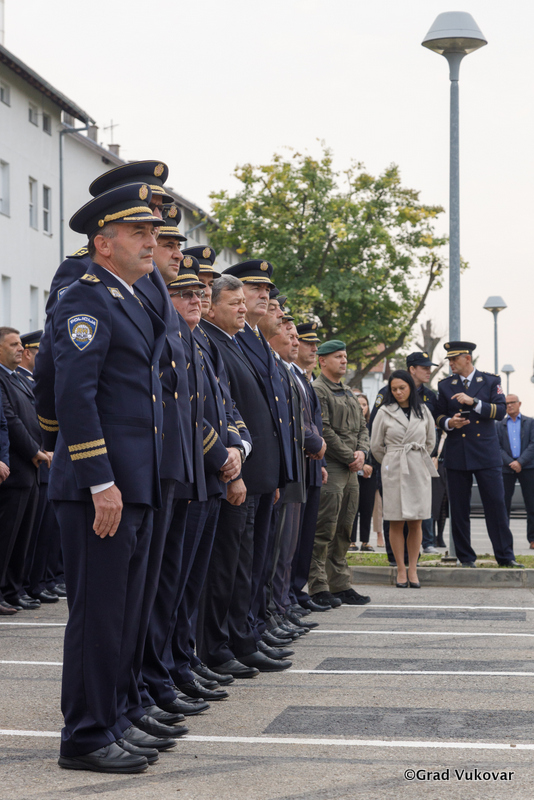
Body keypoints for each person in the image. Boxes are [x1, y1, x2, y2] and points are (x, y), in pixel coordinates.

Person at [35, 183, 174, 773]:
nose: (151, 242)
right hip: (103, 486)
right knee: (97, 613)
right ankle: (86, 736)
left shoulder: (132, 299)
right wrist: (98, 480)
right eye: (139, 233)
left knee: (122, 612)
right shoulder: (85, 298)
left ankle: (114, 716)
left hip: (133, 481)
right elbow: (73, 394)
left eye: (153, 233)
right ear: (103, 243)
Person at [434, 341, 522, 568]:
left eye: (454, 359)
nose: (451, 363)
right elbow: (438, 416)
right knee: (459, 510)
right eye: (449, 359)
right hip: (457, 452)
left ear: (467, 358)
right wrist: (450, 423)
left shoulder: (491, 381)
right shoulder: (445, 385)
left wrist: (474, 402)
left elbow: (500, 411)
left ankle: (505, 557)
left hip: (485, 454)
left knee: (496, 506)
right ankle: (466, 558)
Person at [309, 339, 371, 608]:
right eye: (338, 356)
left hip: (351, 469)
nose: (344, 360)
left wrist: (362, 452)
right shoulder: (318, 390)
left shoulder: (347, 392)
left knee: (345, 528)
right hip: (333, 467)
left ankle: (340, 584)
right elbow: (323, 429)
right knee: (324, 528)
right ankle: (318, 585)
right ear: (322, 361)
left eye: (345, 356)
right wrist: (350, 456)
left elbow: (363, 427)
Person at [370, 370, 438, 588]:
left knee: (417, 521)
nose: (398, 392)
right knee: (396, 521)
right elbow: (375, 445)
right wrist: (390, 460)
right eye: (394, 389)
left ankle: (413, 569)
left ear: (410, 387)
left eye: (402, 388)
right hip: (394, 468)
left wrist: (417, 457)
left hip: (418, 468)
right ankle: (400, 569)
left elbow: (430, 441)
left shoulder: (423, 411)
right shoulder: (384, 412)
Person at [0, 328, 51, 615]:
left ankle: (13, 590)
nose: (21, 349)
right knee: (7, 536)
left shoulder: (16, 378)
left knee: (22, 537)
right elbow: (10, 420)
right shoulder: (2, 379)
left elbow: (31, 419)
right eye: (13, 344)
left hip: (29, 469)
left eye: (21, 344)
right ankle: (5, 591)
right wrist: (34, 451)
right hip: (16, 468)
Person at [289, 322, 329, 613]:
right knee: (291, 537)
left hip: (313, 464)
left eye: (316, 345)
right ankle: (289, 592)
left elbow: (316, 423)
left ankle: (297, 590)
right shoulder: (293, 376)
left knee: (305, 535)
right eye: (308, 343)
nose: (314, 349)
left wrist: (322, 463)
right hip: (299, 462)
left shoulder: (306, 379)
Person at [496, 395, 534, 547]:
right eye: (506, 403)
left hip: (528, 467)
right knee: (503, 505)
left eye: (512, 402)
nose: (509, 405)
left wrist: (520, 462)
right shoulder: (498, 425)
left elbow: (533, 444)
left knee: (532, 504)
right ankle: (504, 540)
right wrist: (511, 462)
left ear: (519, 404)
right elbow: (496, 447)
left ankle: (532, 539)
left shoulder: (530, 422)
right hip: (506, 468)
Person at [349, 394, 378, 552]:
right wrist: (361, 465)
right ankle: (351, 540)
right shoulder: (350, 424)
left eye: (364, 404)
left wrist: (370, 466)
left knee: (367, 507)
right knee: (353, 506)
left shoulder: (372, 425)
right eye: (358, 404)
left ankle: (365, 541)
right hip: (353, 470)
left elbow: (377, 447)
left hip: (370, 473)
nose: (362, 407)